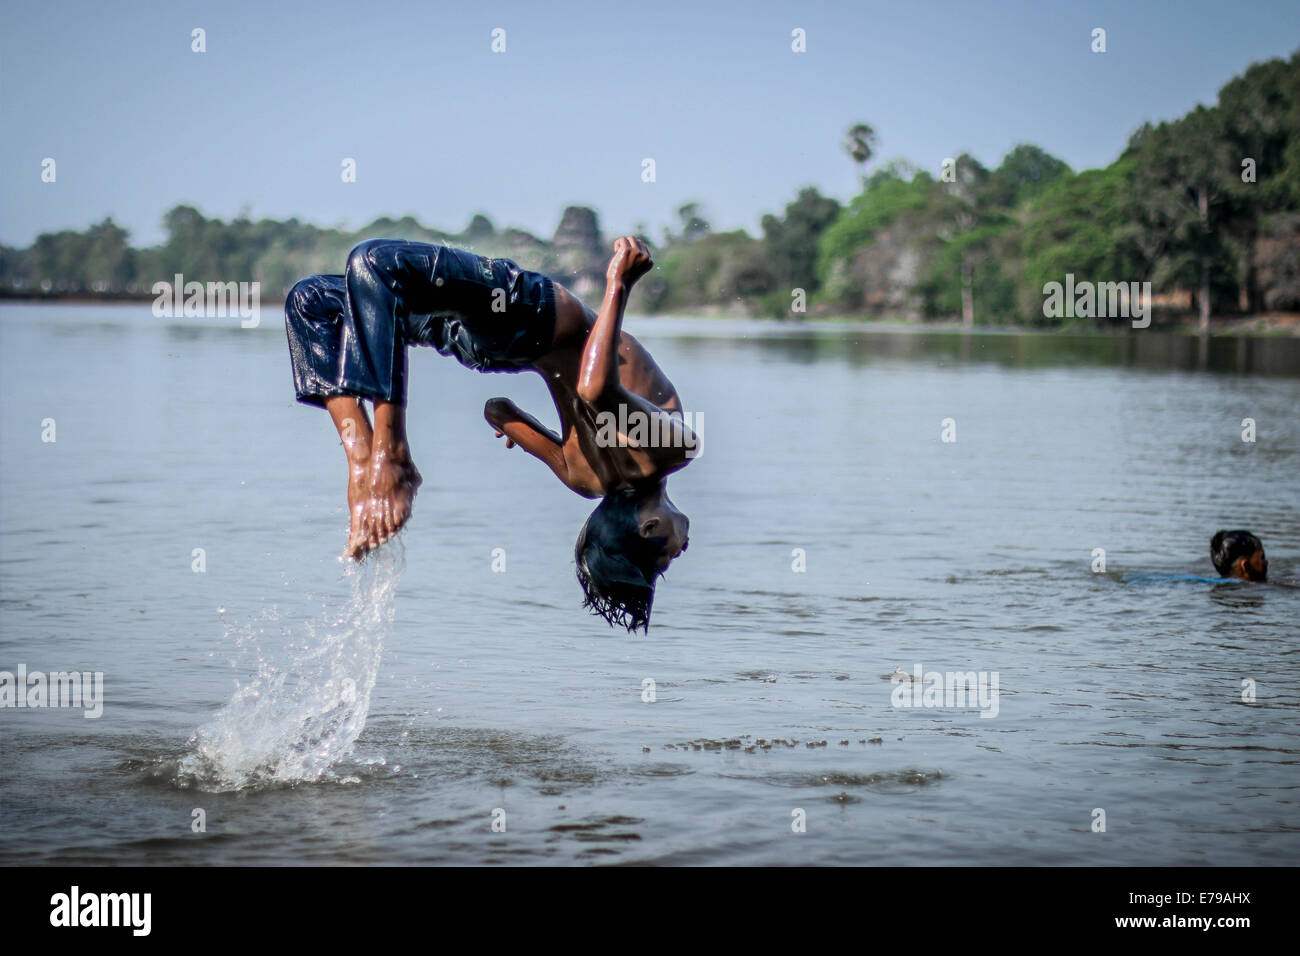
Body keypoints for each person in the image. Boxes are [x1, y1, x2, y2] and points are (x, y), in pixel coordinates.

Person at [284, 235, 695, 631]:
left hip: (527, 315)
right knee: (314, 301)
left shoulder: (670, 452)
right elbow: (498, 411)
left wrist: (619, 285)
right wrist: (531, 425)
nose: (683, 551)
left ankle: (382, 457)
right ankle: (362, 459)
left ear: (649, 528)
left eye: (669, 559)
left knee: (373, 264)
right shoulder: (583, 480)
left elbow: (594, 388)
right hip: (483, 346)